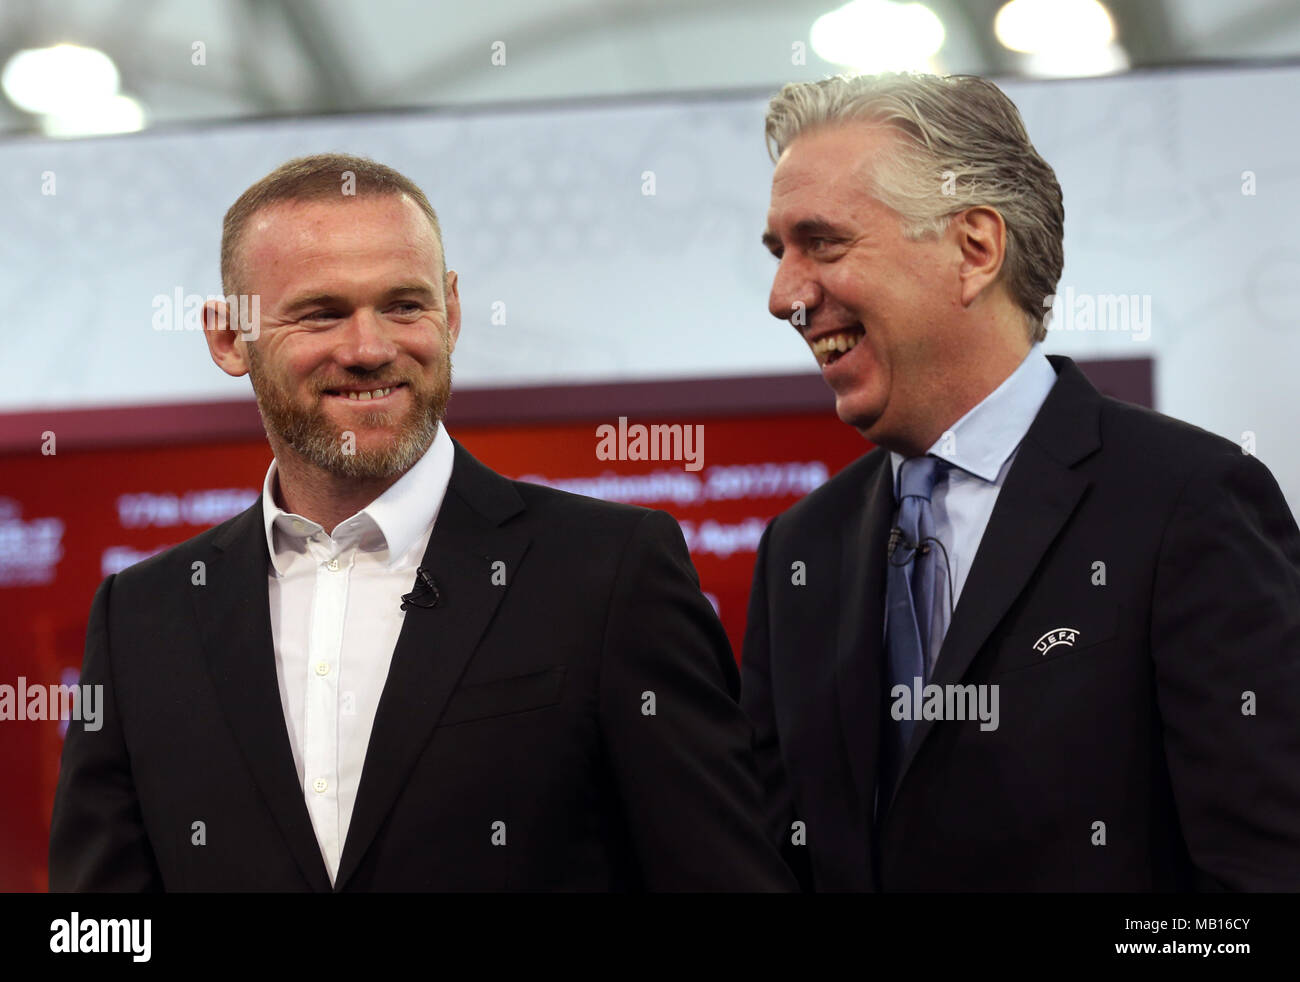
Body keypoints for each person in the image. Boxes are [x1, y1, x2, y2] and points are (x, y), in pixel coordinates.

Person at [50, 153, 795, 892]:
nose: (370, 349)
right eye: (322, 313)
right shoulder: (141, 618)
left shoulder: (611, 571)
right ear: (226, 339)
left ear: (453, 310)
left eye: (404, 306)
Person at [742, 73, 1300, 891]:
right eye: (778, 252)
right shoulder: (802, 550)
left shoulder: (1190, 502)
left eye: (822, 243)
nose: (783, 295)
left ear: (975, 250)